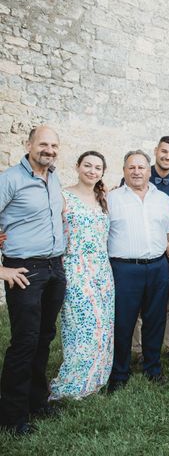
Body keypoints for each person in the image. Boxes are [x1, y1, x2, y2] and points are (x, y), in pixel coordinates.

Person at [0, 126, 65, 436]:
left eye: (53, 145)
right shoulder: (11, 179)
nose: (49, 150)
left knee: (44, 338)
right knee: (24, 342)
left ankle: (37, 401)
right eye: (43, 144)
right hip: (24, 270)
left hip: (54, 268)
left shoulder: (54, 178)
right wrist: (3, 271)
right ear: (28, 145)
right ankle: (12, 416)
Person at [107, 150, 169, 391]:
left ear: (149, 170)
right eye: (131, 167)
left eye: (141, 167)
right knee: (123, 322)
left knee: (155, 320)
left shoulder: (163, 200)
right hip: (124, 269)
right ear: (124, 171)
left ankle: (153, 368)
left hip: (157, 267)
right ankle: (119, 373)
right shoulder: (111, 199)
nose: (136, 171)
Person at [49, 151, 115, 400]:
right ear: (77, 166)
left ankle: (97, 378)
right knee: (82, 324)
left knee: (103, 326)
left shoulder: (103, 198)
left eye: (97, 167)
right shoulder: (63, 196)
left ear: (102, 172)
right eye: (87, 165)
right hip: (75, 268)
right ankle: (73, 382)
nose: (92, 170)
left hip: (102, 269)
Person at [131, 135, 169, 364]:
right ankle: (137, 347)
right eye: (164, 151)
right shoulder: (140, 173)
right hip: (143, 244)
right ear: (156, 151)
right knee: (140, 303)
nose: (167, 156)